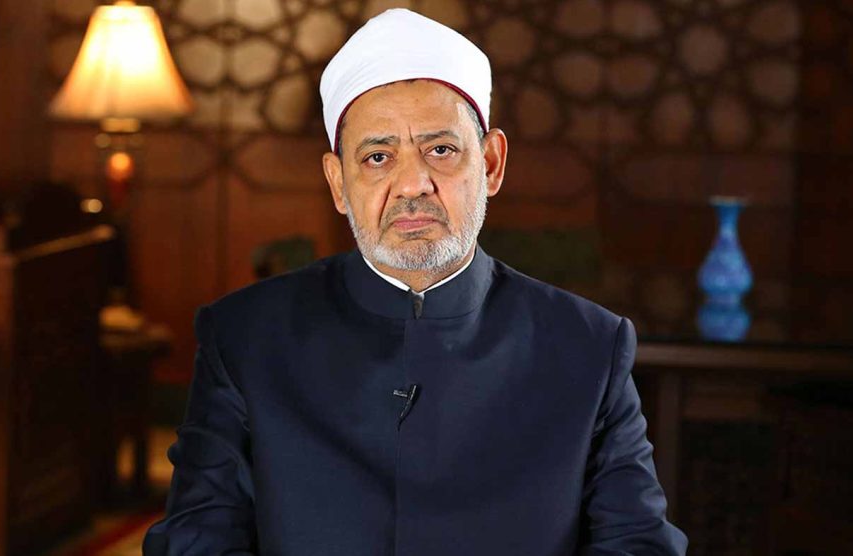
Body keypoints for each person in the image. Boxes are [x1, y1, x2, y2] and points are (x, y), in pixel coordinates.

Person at [143, 8, 688, 556]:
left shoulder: (588, 346)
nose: (412, 184)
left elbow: (637, 544)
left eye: (440, 150)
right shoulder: (244, 338)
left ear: (491, 164)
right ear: (338, 183)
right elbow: (196, 542)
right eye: (378, 156)